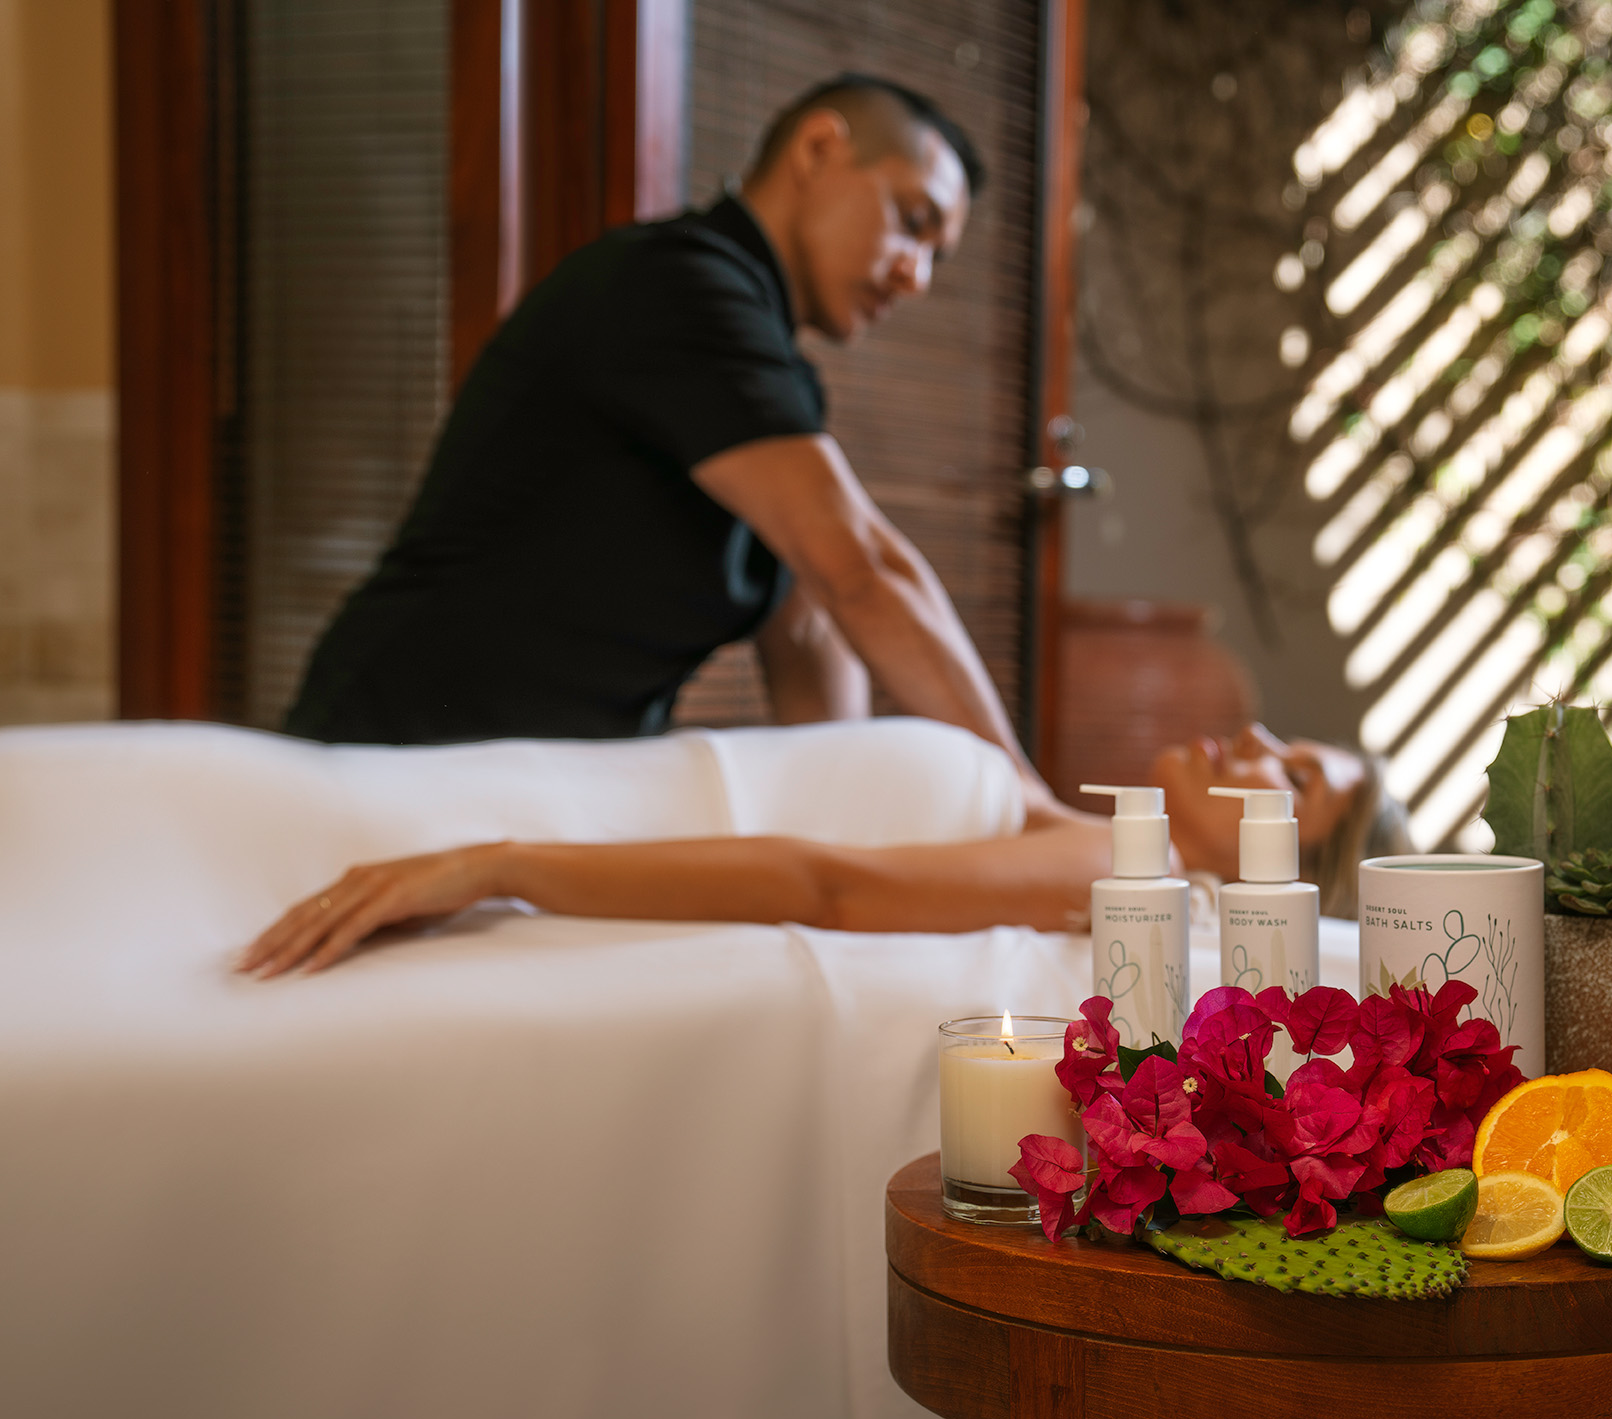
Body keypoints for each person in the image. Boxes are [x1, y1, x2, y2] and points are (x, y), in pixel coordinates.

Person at [283, 75, 1048, 798]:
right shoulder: (673, 288)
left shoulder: (776, 378)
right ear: (819, 149)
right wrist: (1025, 801)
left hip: (546, 786)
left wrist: (842, 833)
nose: (916, 276)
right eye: (912, 222)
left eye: (936, 259)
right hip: (398, 752)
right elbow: (860, 569)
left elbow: (813, 625)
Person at [240, 723, 1414, 978]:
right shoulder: (1076, 823)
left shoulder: (1130, 880)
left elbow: (834, 886)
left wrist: (496, 866)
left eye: (1295, 775)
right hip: (522, 789)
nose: (1258, 740)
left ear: (1285, 866)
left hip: (526, 847)